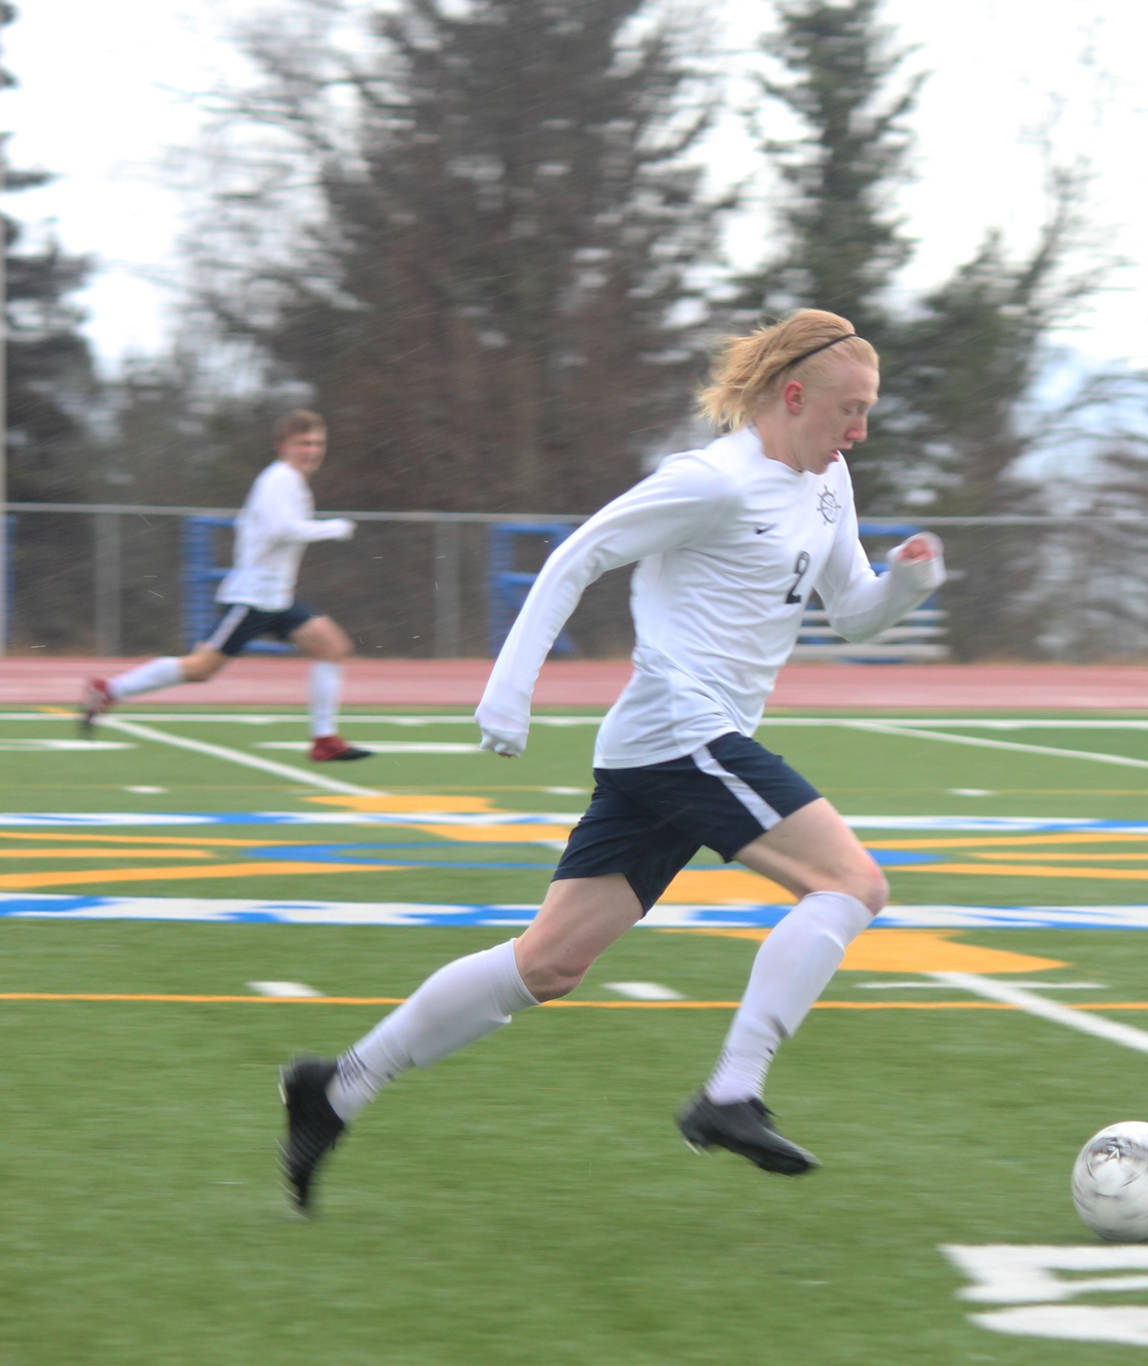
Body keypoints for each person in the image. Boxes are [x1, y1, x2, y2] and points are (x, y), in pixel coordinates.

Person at [276, 309, 945, 1212]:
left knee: (547, 965)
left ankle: (336, 1087)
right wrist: (509, 692)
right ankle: (731, 1092)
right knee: (854, 885)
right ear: (795, 396)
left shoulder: (829, 484)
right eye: (851, 411)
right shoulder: (710, 482)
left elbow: (850, 612)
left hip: (661, 751)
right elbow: (576, 557)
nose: (861, 431)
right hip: (683, 729)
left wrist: (903, 583)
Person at [80, 409, 372, 762]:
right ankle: (108, 689)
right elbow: (282, 531)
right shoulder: (278, 479)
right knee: (201, 668)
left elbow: (269, 536)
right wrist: (334, 528)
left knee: (332, 646)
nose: (312, 450)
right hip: (252, 599)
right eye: (303, 443)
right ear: (283, 446)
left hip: (276, 598)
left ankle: (324, 739)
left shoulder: (292, 482)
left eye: (317, 443)